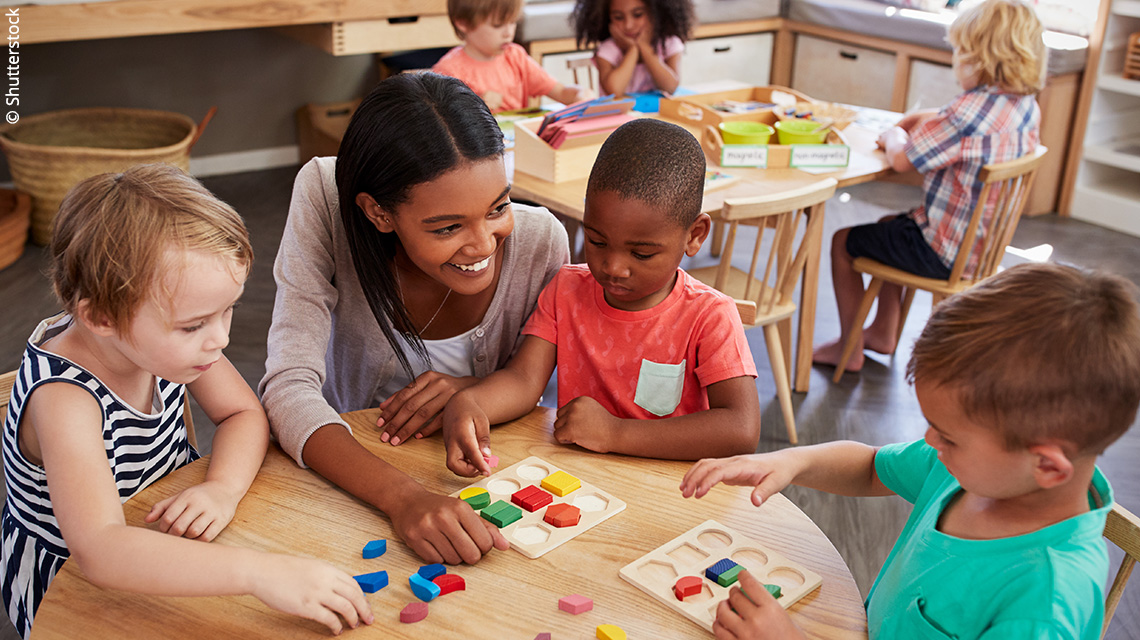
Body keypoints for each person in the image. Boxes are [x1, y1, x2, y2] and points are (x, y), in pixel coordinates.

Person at [0, 165, 372, 638]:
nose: (219, 339)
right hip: (72, 584)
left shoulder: (158, 339)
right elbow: (100, 549)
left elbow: (242, 413)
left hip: (170, 530)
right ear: (101, 318)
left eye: (228, 310)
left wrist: (222, 488)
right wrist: (258, 573)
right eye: (195, 324)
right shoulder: (64, 400)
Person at [682, 262, 1140, 640]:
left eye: (948, 435)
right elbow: (870, 467)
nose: (929, 442)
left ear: (1047, 465)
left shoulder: (1042, 608)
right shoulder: (969, 471)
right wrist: (790, 460)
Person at [259, 72, 570, 564]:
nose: (483, 245)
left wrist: (471, 388)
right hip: (353, 472)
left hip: (484, 485)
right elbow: (287, 387)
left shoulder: (541, 242)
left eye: (498, 207)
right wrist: (403, 498)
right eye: (447, 227)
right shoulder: (326, 194)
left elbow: (538, 386)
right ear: (378, 214)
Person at [442, 118, 761, 478]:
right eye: (597, 242)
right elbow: (524, 381)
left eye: (641, 254)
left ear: (695, 235)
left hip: (671, 488)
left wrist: (615, 433)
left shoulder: (709, 316)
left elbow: (740, 429)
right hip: (580, 481)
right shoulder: (566, 289)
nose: (613, 267)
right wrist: (470, 402)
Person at [812, 0, 1045, 372]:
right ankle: (884, 332)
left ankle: (849, 348)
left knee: (844, 242)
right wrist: (931, 117)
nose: (956, 63)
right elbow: (964, 127)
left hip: (942, 253)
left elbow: (904, 159)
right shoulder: (1025, 105)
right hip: (980, 249)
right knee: (891, 224)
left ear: (979, 59)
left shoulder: (965, 112)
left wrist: (892, 135)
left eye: (960, 54)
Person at [432, 0, 595, 112]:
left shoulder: (515, 56)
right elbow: (443, 128)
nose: (508, 33)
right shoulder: (447, 71)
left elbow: (562, 92)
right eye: (498, 25)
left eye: (512, 22)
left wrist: (580, 94)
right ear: (464, 23)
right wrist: (475, 107)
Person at [571, 0, 694, 96]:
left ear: (657, 13)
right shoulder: (607, 50)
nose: (628, 25)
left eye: (638, 15)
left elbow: (670, 87)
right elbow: (614, 91)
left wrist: (644, 47)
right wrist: (632, 50)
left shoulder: (669, 43)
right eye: (618, 17)